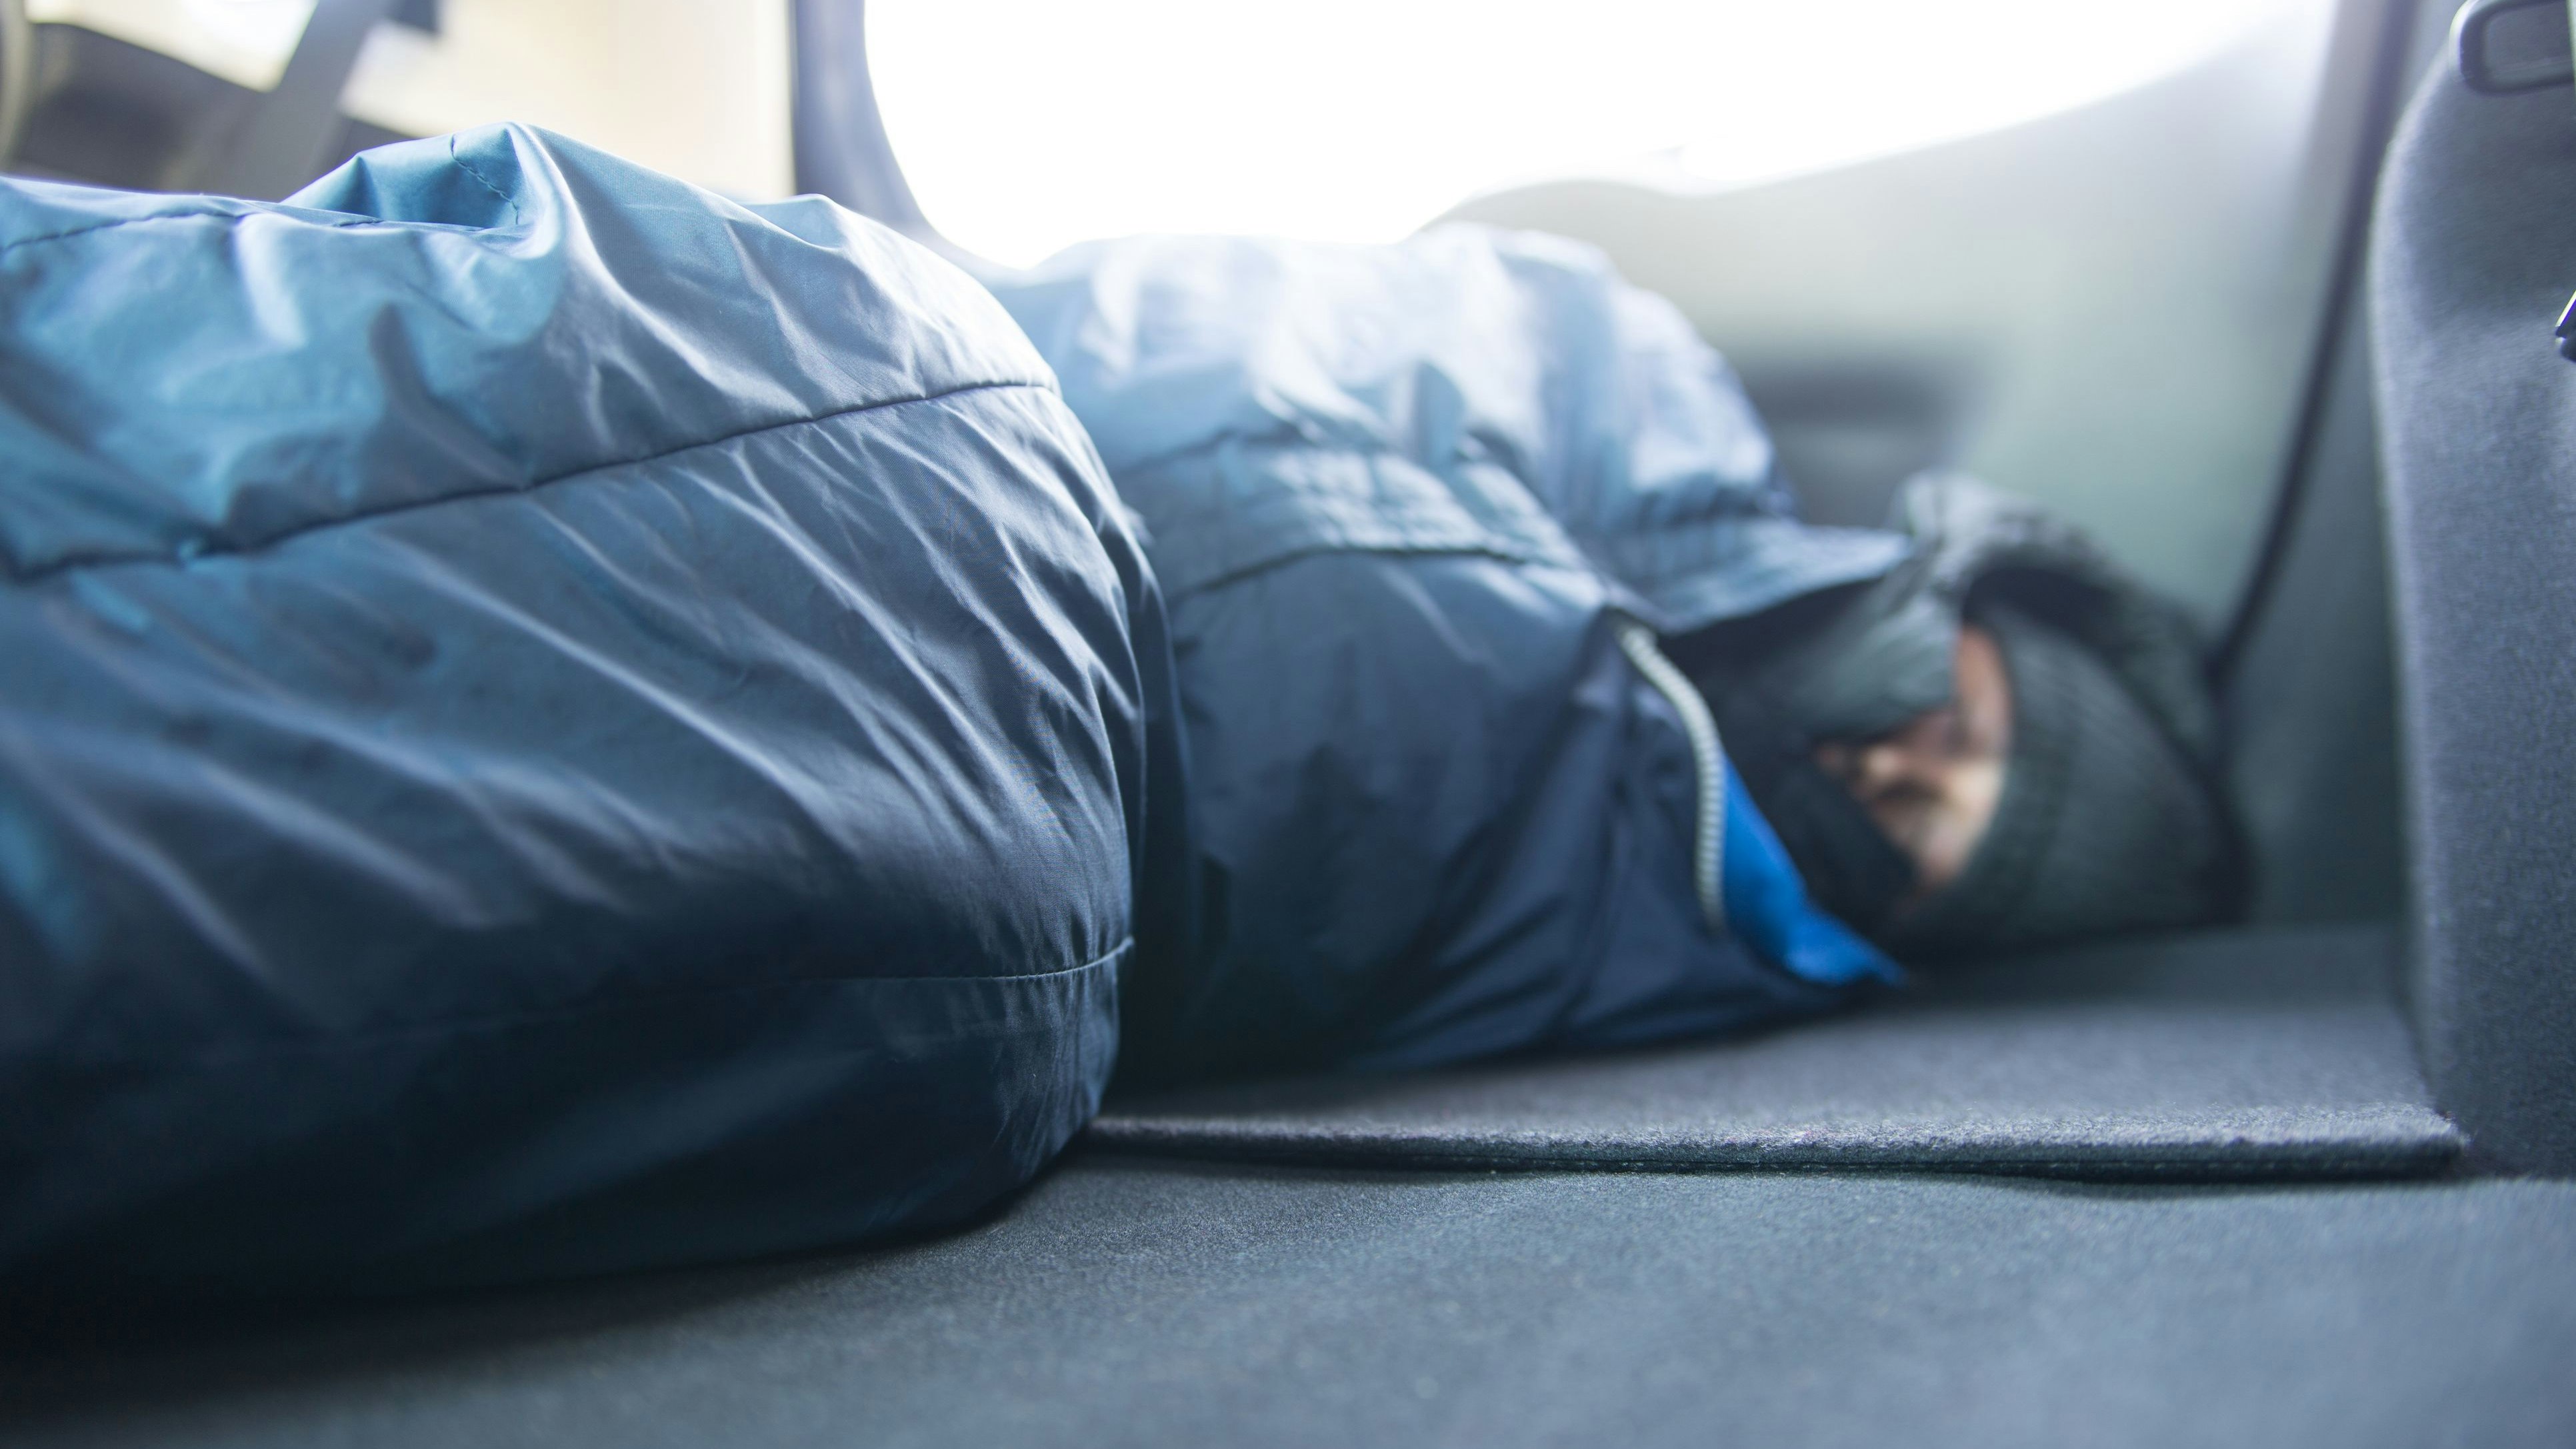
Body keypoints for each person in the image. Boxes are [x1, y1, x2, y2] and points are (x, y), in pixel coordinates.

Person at [983, 224, 2240, 1084]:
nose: (1910, 784)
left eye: (1936, 853)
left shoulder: (1647, 965)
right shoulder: (1634, 380)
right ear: (1954, 608)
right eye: (1963, 731)